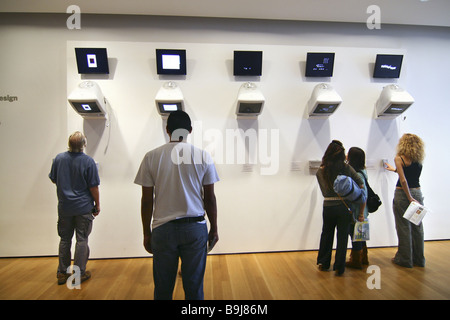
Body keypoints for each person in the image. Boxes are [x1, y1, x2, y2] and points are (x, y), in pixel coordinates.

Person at [134, 110, 219, 300]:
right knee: (194, 289)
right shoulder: (203, 156)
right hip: (195, 228)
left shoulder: (151, 157)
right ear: (190, 130)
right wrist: (213, 228)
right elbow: (210, 198)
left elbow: (147, 200)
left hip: (163, 230)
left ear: (167, 130)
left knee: (163, 290)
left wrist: (147, 232)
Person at [49, 131, 100, 285]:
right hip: (83, 207)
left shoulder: (59, 159)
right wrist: (97, 204)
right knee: (82, 239)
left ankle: (62, 273)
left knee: (64, 239)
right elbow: (93, 187)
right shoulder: (88, 162)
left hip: (65, 207)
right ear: (84, 145)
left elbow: (53, 179)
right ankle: (78, 274)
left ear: (69, 144)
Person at [316, 140, 365, 276]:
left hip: (328, 206)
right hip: (344, 206)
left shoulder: (321, 170)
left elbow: (324, 190)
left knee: (326, 234)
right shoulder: (346, 168)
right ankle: (339, 266)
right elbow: (360, 183)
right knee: (342, 237)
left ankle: (324, 263)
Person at [385, 133, 425, 268]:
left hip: (403, 195)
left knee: (403, 227)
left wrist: (409, 198)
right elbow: (410, 175)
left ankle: (405, 259)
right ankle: (419, 260)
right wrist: (395, 170)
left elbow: (403, 180)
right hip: (418, 193)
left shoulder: (399, 158)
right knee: (417, 227)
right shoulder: (418, 159)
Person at [346, 147, 369, 269]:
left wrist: (360, 214)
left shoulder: (357, 174)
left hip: (357, 210)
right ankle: (363, 258)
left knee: (355, 235)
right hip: (361, 210)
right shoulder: (362, 171)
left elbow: (363, 195)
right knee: (360, 234)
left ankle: (356, 260)